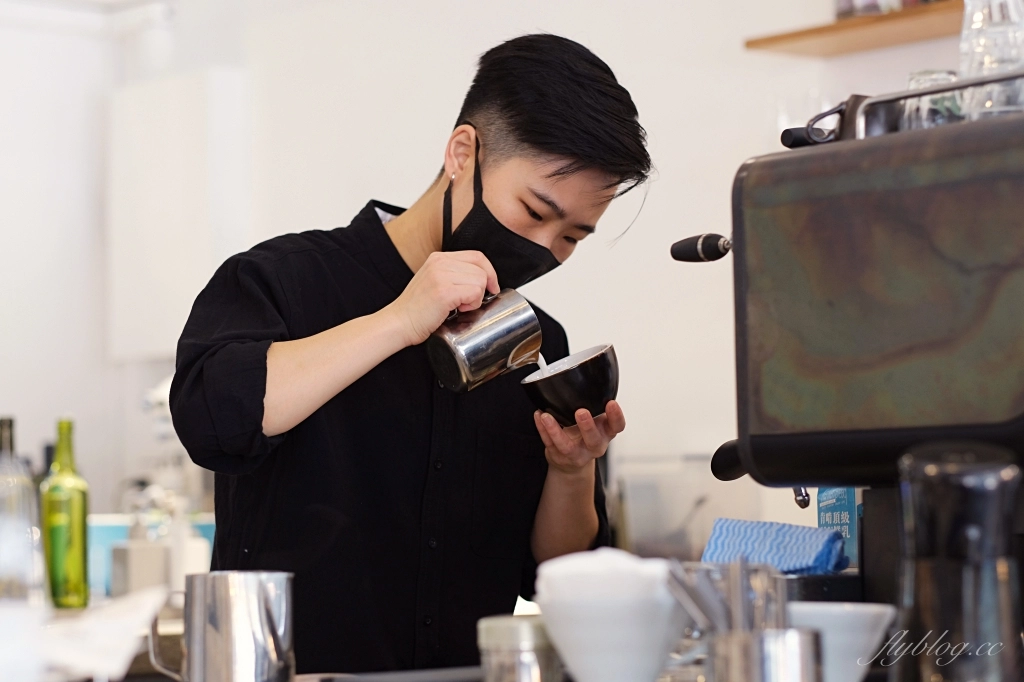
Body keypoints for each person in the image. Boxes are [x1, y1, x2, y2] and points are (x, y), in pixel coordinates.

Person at [169, 33, 650, 674]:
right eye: (535, 211)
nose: (543, 247)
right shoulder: (283, 281)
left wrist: (570, 472)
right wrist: (400, 319)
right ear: (461, 153)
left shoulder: (537, 344)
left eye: (572, 236)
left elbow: (558, 579)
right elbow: (213, 417)